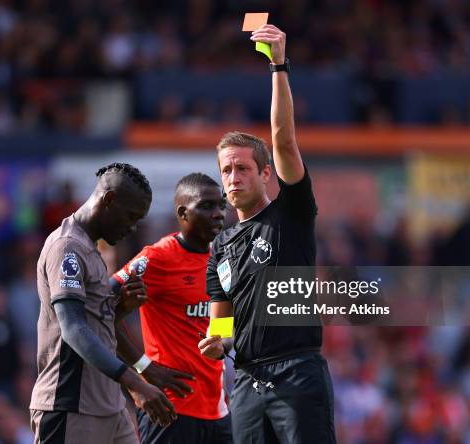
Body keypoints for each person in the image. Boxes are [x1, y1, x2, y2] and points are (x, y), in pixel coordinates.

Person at [198, 25, 337, 443]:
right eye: (226, 170)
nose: (234, 177)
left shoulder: (290, 215)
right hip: (247, 382)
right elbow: (222, 320)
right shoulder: (219, 247)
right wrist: (217, 343)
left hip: (297, 373)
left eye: (243, 168)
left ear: (265, 173)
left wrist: (278, 65)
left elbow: (284, 141)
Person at [30, 163, 176, 444]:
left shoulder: (91, 248)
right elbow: (73, 329)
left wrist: (120, 309)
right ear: (109, 200)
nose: (132, 228)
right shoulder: (67, 247)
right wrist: (135, 382)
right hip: (70, 406)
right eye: (131, 216)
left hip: (108, 405)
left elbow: (97, 327)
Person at [112, 173, 232, 444]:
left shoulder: (224, 260)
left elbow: (220, 325)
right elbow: (100, 310)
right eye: (206, 206)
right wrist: (142, 368)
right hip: (170, 410)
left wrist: (223, 340)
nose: (217, 213)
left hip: (218, 412)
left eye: (221, 205)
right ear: (183, 213)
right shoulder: (157, 258)